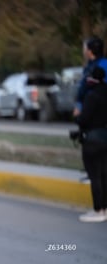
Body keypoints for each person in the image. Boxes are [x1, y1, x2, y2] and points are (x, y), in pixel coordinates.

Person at [75, 66, 107, 222]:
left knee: (95, 176)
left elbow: (83, 119)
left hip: (93, 140)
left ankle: (98, 210)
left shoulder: (92, 96)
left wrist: (77, 118)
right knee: (104, 174)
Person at [73, 36, 107, 117]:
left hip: (96, 104)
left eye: (85, 48)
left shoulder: (99, 66)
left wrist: (79, 104)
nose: (84, 51)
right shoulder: (90, 65)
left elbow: (87, 85)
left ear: (90, 51)